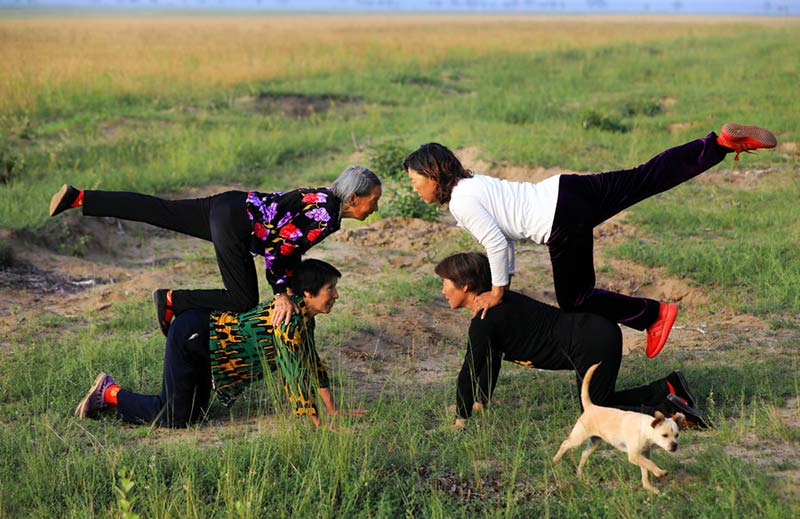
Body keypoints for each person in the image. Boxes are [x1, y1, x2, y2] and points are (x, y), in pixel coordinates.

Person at [406, 124, 777, 357]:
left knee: (575, 298)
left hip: (560, 220)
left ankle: (654, 315)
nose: (414, 188)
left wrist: (500, 292)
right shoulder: (474, 184)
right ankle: (720, 144)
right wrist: (508, 278)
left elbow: (497, 245)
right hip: (569, 189)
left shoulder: (461, 202)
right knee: (645, 176)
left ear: (432, 175)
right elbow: (504, 237)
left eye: (414, 180)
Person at [49, 165, 382, 335]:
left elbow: (287, 248)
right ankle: (172, 301)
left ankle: (80, 198)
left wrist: (291, 284)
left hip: (229, 204)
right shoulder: (325, 216)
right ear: (354, 199)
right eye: (374, 200)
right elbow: (279, 250)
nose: (376, 208)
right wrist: (281, 293)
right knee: (243, 300)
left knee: (159, 210)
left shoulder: (324, 201)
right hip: (237, 226)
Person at [74, 259, 367, 429]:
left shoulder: (304, 318)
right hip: (194, 335)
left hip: (209, 345)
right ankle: (109, 392)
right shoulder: (289, 320)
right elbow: (293, 372)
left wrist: (332, 410)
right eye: (331, 289)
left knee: (192, 417)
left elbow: (311, 363)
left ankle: (112, 394)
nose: (337, 295)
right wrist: (317, 423)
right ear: (307, 293)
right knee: (174, 417)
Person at [434, 252, 710, 429]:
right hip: (595, 334)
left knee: (597, 413)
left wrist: (461, 418)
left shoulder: (485, 321)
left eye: (445, 282)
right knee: (600, 403)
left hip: (591, 342)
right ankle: (669, 387)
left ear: (465, 286)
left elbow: (468, 371)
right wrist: (478, 402)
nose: (442, 290)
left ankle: (672, 410)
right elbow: (489, 360)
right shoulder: (494, 309)